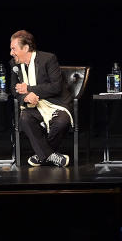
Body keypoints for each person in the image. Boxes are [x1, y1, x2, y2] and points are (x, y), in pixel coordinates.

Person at [8, 29, 73, 167]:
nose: (11, 53)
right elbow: (14, 90)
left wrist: (30, 89)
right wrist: (25, 97)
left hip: (54, 103)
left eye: (13, 49)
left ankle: (41, 155)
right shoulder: (14, 65)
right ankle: (50, 156)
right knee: (24, 119)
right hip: (33, 106)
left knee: (62, 122)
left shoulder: (48, 59)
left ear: (26, 48)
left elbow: (56, 87)